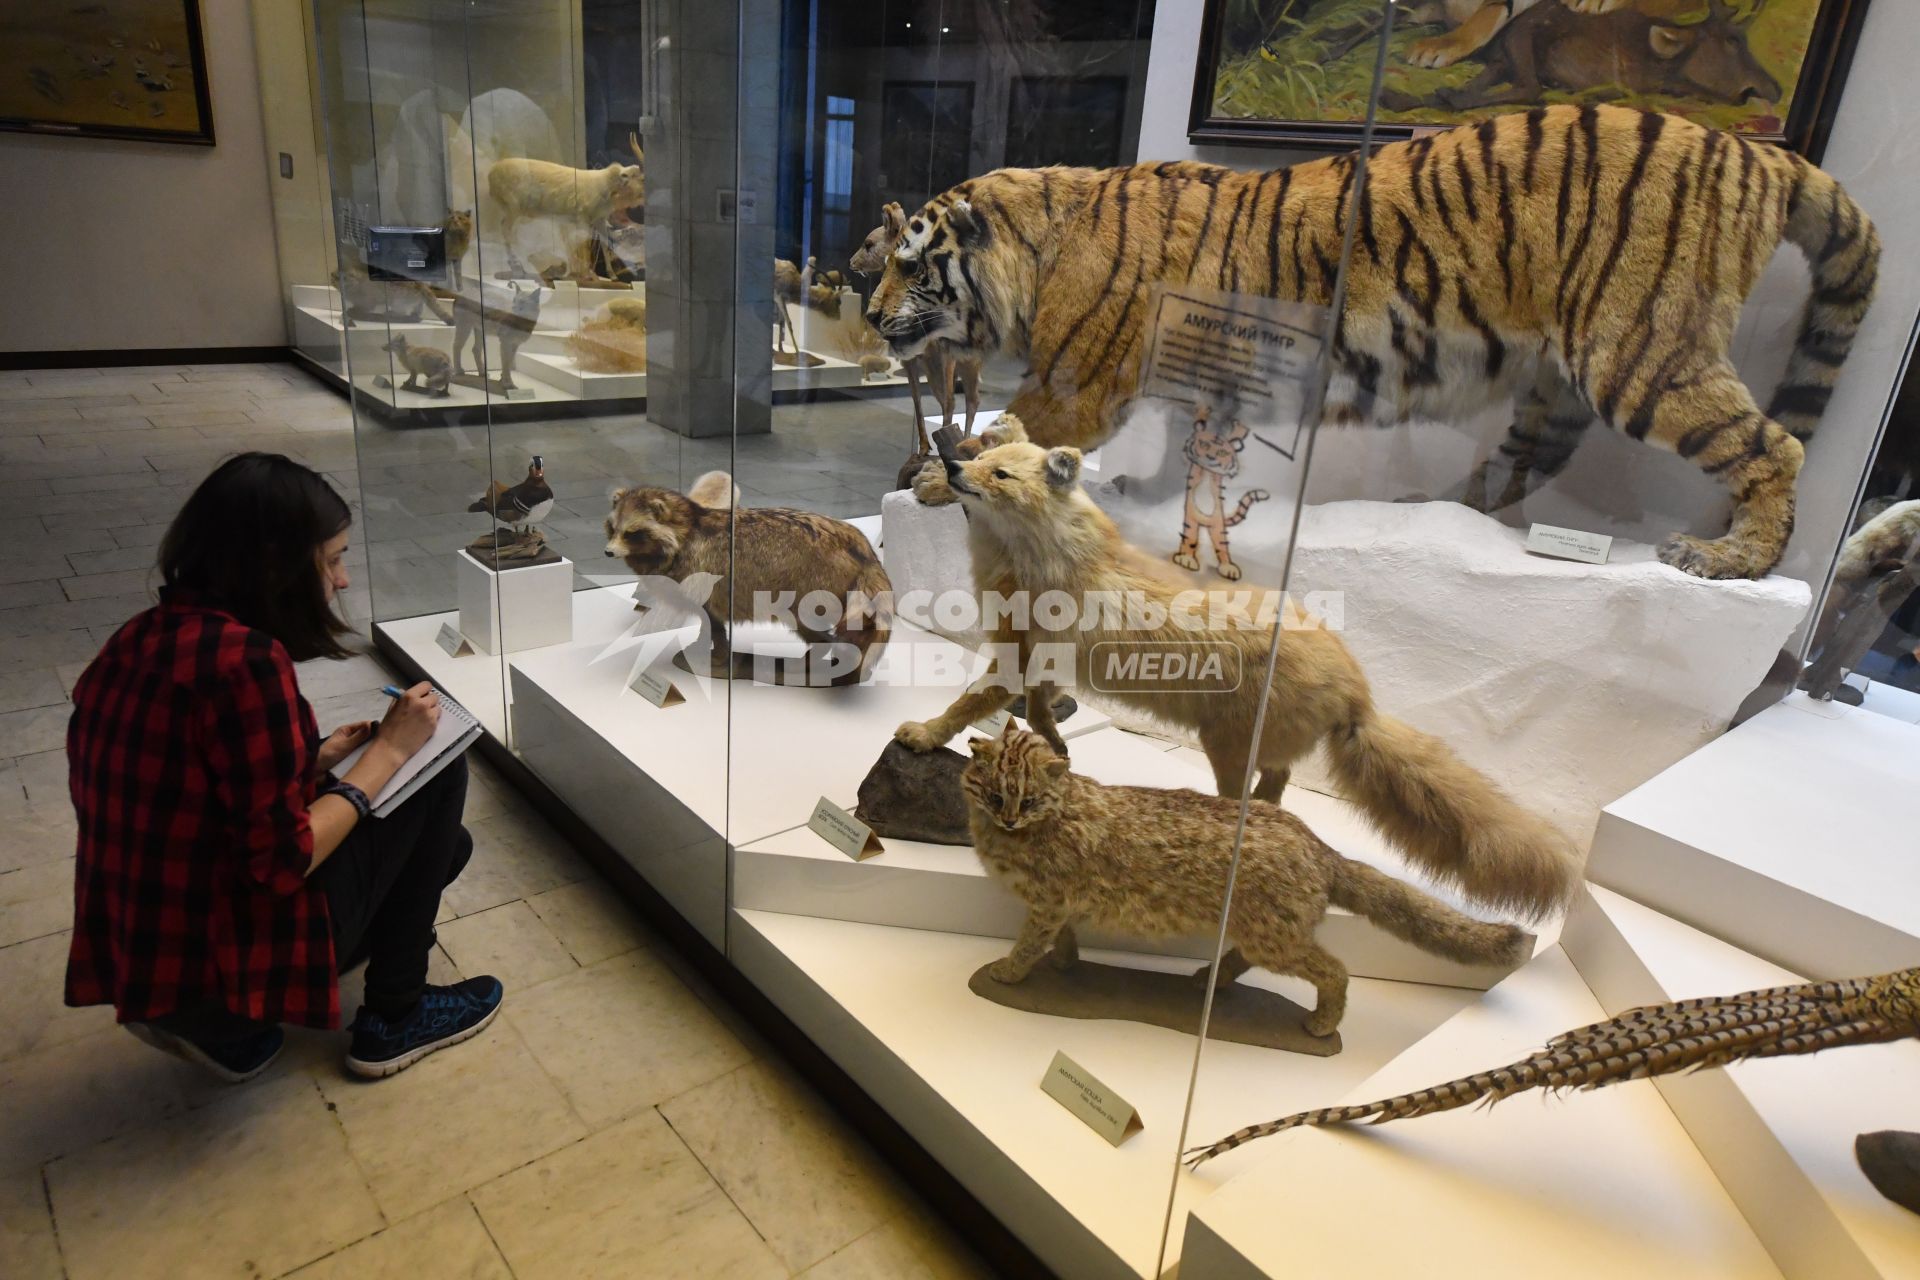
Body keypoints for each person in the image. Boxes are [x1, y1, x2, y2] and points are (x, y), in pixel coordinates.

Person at [64, 452, 502, 1083]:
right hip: (212, 971)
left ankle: (226, 1030)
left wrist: (315, 756)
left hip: (146, 958)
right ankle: (394, 1017)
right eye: (332, 560)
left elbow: (192, 790)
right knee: (436, 776)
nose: (344, 580)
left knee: (445, 847)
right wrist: (389, 753)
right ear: (274, 567)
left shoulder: (142, 635)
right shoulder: (246, 664)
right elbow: (278, 861)